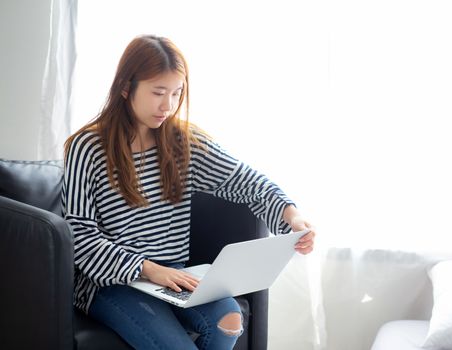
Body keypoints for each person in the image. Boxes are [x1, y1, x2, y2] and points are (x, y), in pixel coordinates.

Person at [62, 34, 316, 350]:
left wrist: (291, 216)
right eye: (157, 92)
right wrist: (150, 270)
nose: (167, 105)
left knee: (229, 321)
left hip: (174, 275)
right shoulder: (87, 148)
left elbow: (246, 181)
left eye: (176, 93)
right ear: (127, 87)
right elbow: (81, 238)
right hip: (113, 284)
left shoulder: (183, 142)